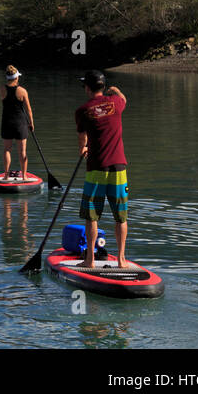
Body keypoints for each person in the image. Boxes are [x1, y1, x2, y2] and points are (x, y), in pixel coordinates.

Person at [75, 69, 130, 268]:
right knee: (121, 216)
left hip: (96, 169)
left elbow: (83, 138)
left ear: (88, 88)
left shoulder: (82, 111)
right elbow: (123, 97)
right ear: (104, 87)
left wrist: (83, 148)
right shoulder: (117, 103)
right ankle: (122, 260)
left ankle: (89, 260)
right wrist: (114, 90)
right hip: (118, 168)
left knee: (91, 216)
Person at [0, 65, 33, 180]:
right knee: (22, 151)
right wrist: (31, 123)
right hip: (20, 124)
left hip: (7, 123)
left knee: (7, 149)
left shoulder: (2, 89)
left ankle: (6, 176)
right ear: (16, 78)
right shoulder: (22, 91)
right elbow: (28, 110)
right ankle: (24, 176)